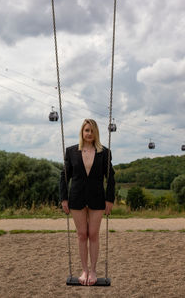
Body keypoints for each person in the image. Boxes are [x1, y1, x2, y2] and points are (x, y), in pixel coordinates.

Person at [60, 118, 115, 286]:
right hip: (76, 197)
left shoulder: (104, 152)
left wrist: (109, 199)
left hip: (97, 197)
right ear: (82, 132)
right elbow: (64, 177)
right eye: (86, 130)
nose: (89, 133)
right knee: (82, 235)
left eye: (92, 130)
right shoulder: (71, 151)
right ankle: (84, 270)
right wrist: (64, 198)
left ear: (96, 132)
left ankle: (93, 271)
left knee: (93, 234)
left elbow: (110, 177)